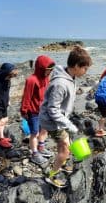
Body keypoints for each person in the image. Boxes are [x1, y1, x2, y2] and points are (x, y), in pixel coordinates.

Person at [39, 46, 92, 187]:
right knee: (65, 149)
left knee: (66, 143)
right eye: (85, 68)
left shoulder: (71, 76)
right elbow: (52, 109)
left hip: (59, 119)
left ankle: (60, 162)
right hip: (52, 121)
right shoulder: (60, 84)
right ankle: (51, 175)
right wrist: (68, 124)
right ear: (75, 66)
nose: (86, 72)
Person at [20, 55, 55, 165]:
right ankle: (34, 154)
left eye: (51, 71)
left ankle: (41, 147)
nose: (49, 73)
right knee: (34, 133)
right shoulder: (31, 80)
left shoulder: (45, 78)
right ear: (41, 69)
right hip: (33, 112)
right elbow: (26, 97)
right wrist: (24, 110)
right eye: (48, 70)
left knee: (44, 130)